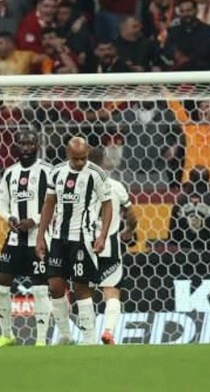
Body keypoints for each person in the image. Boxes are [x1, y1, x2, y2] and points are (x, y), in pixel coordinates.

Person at [36, 137, 112, 345]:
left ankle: (89, 338)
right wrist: (41, 236)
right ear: (67, 153)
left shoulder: (96, 174)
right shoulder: (57, 172)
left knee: (80, 287)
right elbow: (49, 203)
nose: (80, 162)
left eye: (83, 158)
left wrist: (102, 236)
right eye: (76, 158)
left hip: (83, 238)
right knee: (55, 286)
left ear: (88, 152)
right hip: (58, 238)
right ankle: (65, 335)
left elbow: (107, 205)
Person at [0, 131, 53, 347]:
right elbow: (1, 203)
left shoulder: (47, 172)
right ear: (15, 146)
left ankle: (41, 339)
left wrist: (35, 220)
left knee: (40, 288)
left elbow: (54, 204)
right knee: (0, 285)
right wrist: (9, 217)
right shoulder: (10, 173)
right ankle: (7, 335)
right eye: (22, 143)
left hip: (39, 238)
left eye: (30, 143)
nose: (26, 147)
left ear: (37, 145)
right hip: (15, 239)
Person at [88, 148, 138, 345]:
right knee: (111, 291)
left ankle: (87, 336)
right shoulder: (116, 186)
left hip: (84, 246)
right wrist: (128, 231)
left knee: (84, 293)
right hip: (109, 245)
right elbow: (132, 216)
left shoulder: (78, 187)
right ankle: (108, 331)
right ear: (103, 162)